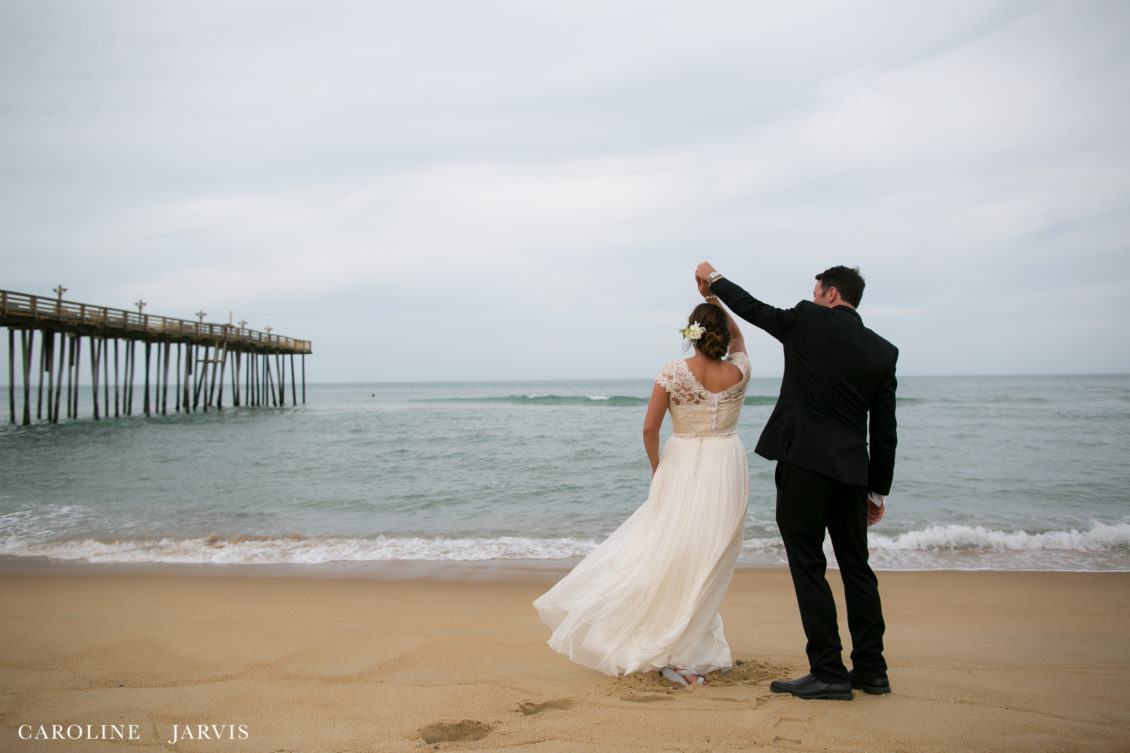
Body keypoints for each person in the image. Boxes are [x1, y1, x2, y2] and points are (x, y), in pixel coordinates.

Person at [695, 261, 897, 701]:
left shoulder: (806, 320)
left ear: (827, 293)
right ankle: (871, 669)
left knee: (809, 564)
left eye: (816, 289)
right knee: (857, 567)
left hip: (804, 466)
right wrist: (877, 491)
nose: (812, 295)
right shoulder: (883, 351)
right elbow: (884, 431)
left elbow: (754, 309)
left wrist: (715, 280)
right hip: (850, 475)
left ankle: (827, 671)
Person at [533, 286, 751, 686]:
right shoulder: (739, 370)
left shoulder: (672, 371)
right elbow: (739, 338)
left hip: (682, 462)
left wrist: (656, 466)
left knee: (671, 548)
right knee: (709, 555)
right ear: (720, 333)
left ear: (691, 333)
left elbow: (650, 427)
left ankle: (683, 647)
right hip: (727, 463)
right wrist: (719, 303)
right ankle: (693, 643)